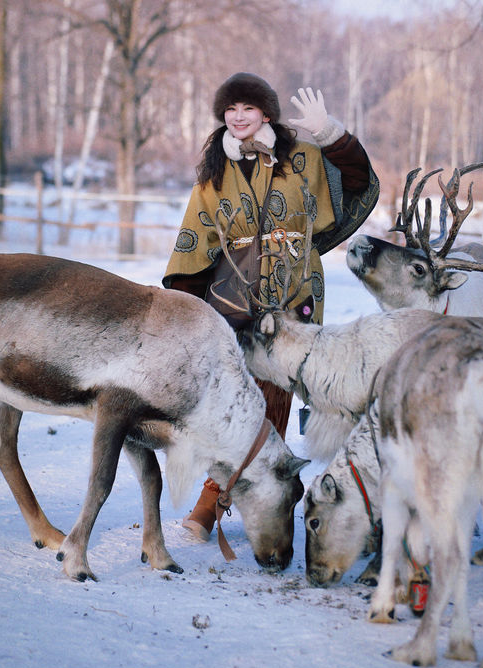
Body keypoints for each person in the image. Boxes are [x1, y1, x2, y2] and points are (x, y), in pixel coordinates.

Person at [162, 72, 379, 539]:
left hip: (294, 292)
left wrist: (332, 136)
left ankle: (215, 501)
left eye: (248, 108)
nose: (238, 117)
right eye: (231, 109)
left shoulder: (301, 156)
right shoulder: (215, 170)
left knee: (276, 392)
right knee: (234, 398)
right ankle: (251, 486)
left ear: (266, 114)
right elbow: (195, 238)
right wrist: (181, 306)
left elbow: (359, 182)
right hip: (234, 297)